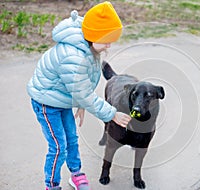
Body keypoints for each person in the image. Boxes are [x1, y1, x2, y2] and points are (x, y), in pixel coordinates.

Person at [27, 2, 131, 190]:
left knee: (72, 139)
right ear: (93, 35)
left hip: (62, 98)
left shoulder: (91, 47)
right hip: (46, 102)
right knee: (59, 147)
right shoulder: (72, 56)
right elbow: (82, 90)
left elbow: (85, 82)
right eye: (106, 39)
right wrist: (112, 114)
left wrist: (80, 104)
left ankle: (76, 174)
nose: (109, 45)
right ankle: (51, 185)